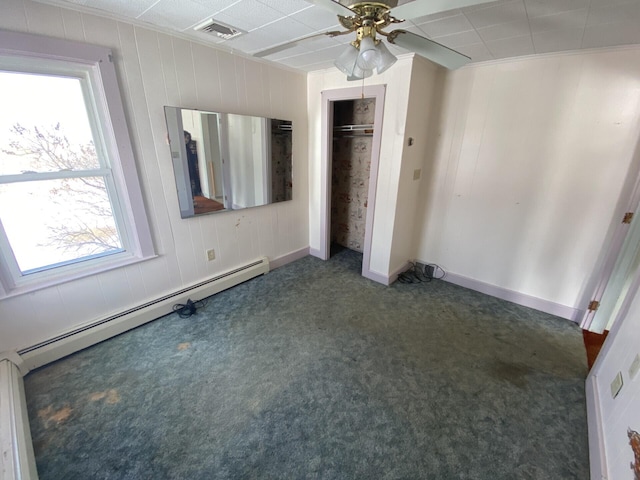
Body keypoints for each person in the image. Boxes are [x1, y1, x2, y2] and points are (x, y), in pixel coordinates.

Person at [184, 130, 202, 197]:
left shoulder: (187, 147)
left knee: (193, 181)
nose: (186, 140)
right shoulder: (183, 148)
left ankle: (194, 195)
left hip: (191, 166)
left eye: (188, 138)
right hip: (187, 167)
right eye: (185, 137)